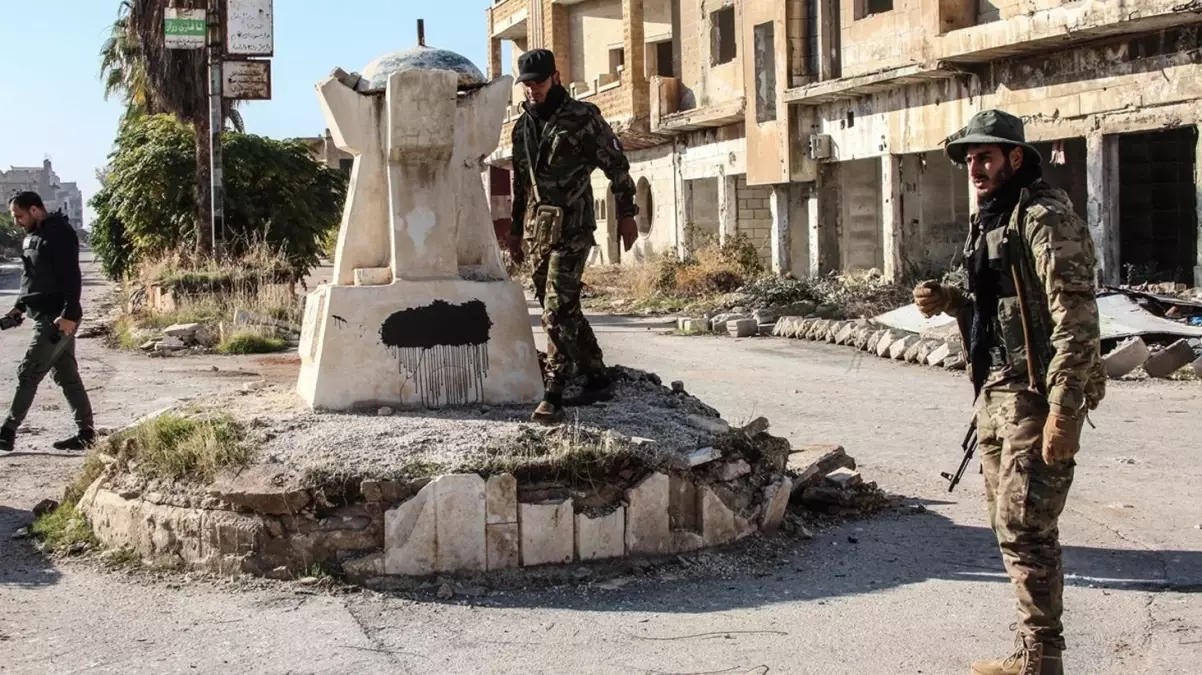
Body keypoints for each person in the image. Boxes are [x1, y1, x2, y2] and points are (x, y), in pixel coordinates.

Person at [913, 109, 1107, 675]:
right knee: (1008, 526)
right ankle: (1031, 651)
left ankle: (1044, 659)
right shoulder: (993, 218)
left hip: (1035, 395)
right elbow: (1001, 309)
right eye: (970, 159)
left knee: (1028, 525)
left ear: (1014, 159)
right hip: (996, 391)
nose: (975, 167)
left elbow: (1077, 320)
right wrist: (953, 302)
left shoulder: (1044, 218)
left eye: (986, 157)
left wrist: (1065, 411)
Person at [508, 48, 639, 425]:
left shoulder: (582, 118)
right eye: (528, 84)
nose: (533, 90)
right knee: (563, 309)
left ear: (556, 77)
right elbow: (521, 184)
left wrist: (627, 213)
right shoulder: (523, 127)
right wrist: (517, 231)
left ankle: (554, 392)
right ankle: (597, 376)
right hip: (538, 230)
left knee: (555, 309)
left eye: (539, 82)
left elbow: (617, 166)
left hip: (574, 227)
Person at [1, 192, 95, 452]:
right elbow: (31, 278)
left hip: (57, 318)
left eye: (19, 216)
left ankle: (7, 431)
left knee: (28, 372)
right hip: (43, 313)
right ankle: (86, 433)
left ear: (34, 210)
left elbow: (72, 277)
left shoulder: (59, 233)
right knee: (66, 376)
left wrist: (69, 314)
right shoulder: (32, 236)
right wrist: (19, 307)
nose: (17, 222)